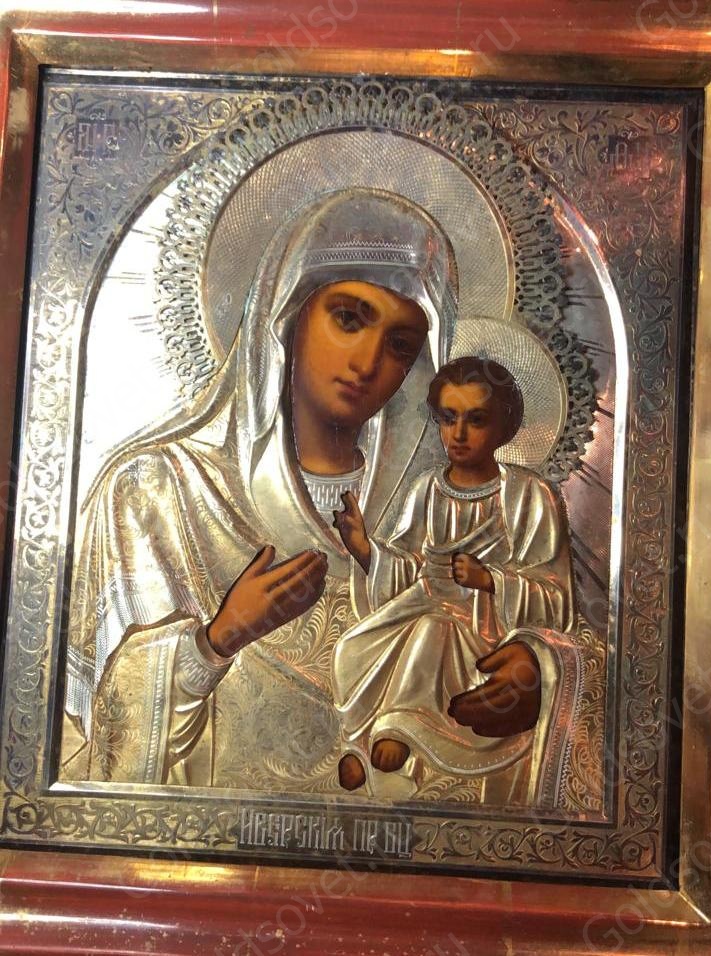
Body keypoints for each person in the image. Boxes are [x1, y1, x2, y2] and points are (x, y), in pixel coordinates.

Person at [61, 188, 578, 806]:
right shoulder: (156, 490)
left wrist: (538, 669)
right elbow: (94, 734)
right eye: (349, 319)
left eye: (400, 344)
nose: (368, 362)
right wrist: (215, 641)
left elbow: (578, 650)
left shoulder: (427, 499)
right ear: (288, 313)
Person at [332, 357, 575, 795]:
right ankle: (374, 748)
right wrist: (365, 549)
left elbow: (555, 598)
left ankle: (396, 731)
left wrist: (491, 581)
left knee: (432, 628)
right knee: (353, 646)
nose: (458, 434)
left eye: (476, 420)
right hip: (421, 604)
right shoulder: (427, 488)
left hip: (484, 631)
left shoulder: (529, 497)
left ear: (503, 428)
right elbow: (407, 567)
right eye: (449, 418)